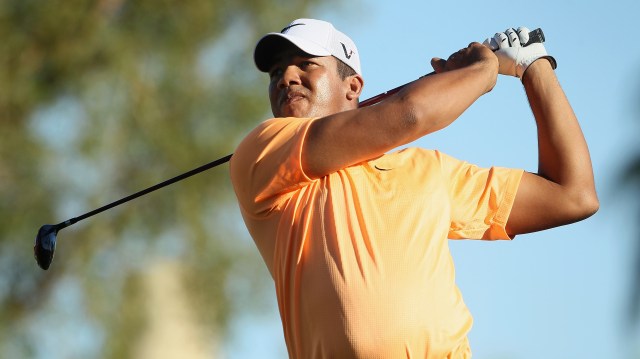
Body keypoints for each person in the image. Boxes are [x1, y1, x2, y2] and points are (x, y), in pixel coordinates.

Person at [229, 18, 599, 358]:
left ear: (353, 85)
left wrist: (533, 66)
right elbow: (410, 114)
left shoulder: (427, 170)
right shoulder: (263, 152)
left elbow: (573, 196)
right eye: (276, 72)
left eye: (305, 63)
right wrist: (484, 70)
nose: (286, 77)